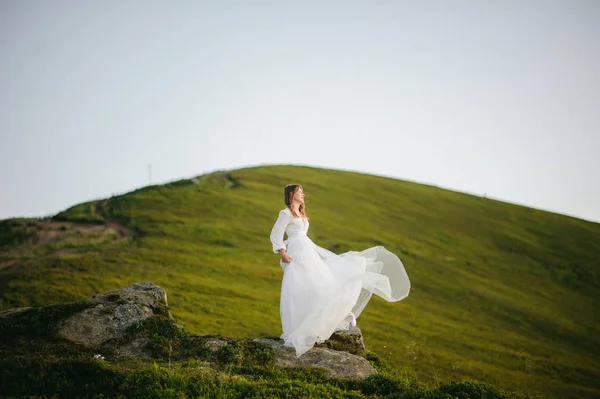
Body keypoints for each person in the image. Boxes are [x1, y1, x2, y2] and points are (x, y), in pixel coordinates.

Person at [270, 184, 411, 357]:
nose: (303, 194)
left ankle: (314, 323)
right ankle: (298, 328)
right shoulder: (286, 213)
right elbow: (276, 234)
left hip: (308, 250)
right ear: (291, 194)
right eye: (300, 192)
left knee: (321, 282)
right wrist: (282, 252)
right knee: (301, 287)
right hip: (297, 253)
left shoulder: (300, 213)